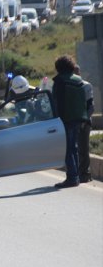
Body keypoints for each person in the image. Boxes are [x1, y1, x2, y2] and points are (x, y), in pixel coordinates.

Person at [52, 55, 89, 188]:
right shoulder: (79, 80)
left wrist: (56, 119)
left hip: (66, 119)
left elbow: (57, 102)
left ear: (59, 67)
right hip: (79, 118)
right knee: (74, 147)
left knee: (68, 149)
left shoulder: (60, 81)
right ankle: (76, 175)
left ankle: (72, 177)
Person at [74, 64, 95, 183]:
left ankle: (85, 175)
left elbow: (91, 107)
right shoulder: (70, 86)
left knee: (83, 148)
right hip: (74, 121)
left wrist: (84, 120)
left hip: (84, 122)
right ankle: (78, 173)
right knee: (75, 149)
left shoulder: (86, 86)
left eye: (77, 72)